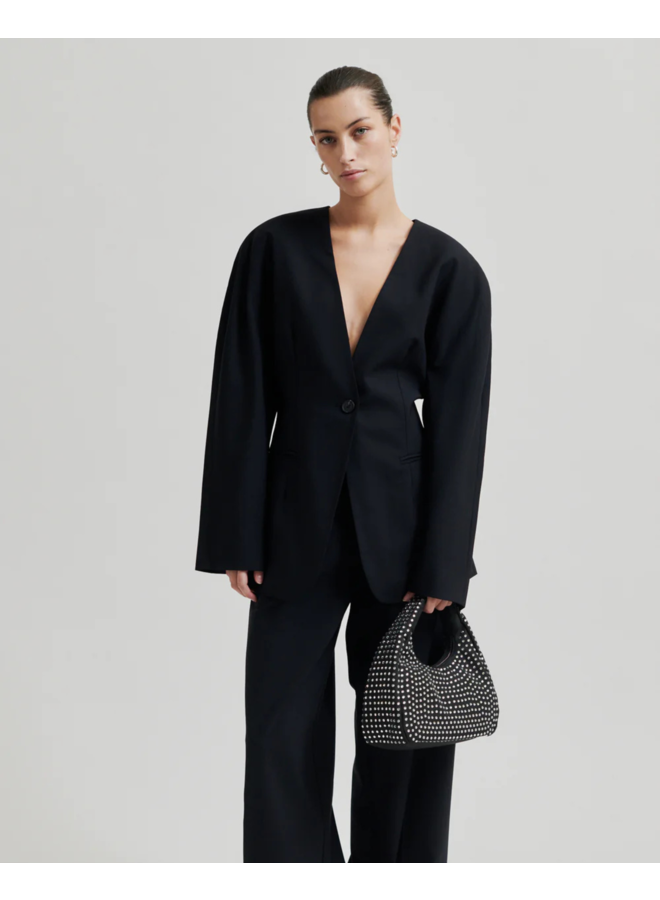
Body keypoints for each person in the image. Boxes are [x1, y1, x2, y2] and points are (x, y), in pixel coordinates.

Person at [195, 66, 493, 864]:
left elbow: (462, 429)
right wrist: (237, 535)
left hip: (404, 536)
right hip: (291, 528)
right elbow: (241, 397)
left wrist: (445, 562)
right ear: (316, 149)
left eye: (360, 131)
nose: (346, 153)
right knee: (280, 732)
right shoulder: (272, 251)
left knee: (403, 730)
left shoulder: (450, 270)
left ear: (394, 130)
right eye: (327, 139)